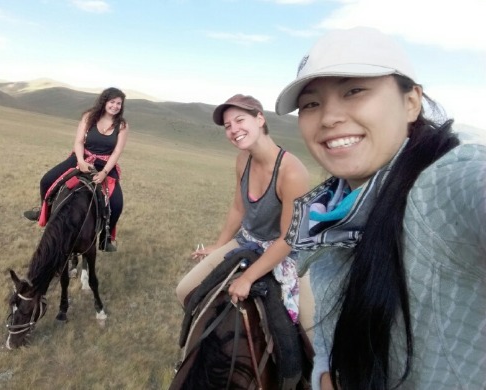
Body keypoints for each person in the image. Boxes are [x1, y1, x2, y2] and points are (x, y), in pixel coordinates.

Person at [275, 26, 486, 389]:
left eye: (354, 90)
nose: (328, 117)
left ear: (411, 102)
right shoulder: (332, 212)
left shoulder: (448, 181)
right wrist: (326, 369)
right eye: (311, 103)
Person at [175, 94, 309, 326]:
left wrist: (247, 278)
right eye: (228, 126)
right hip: (245, 240)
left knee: (314, 335)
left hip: (286, 252)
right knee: (185, 291)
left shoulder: (292, 172)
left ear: (259, 119)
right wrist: (219, 245)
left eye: (240, 120)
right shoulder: (242, 160)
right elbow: (239, 207)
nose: (233, 129)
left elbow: (288, 239)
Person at [23, 87, 129, 252]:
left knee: (117, 203)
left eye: (119, 103)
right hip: (81, 157)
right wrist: (80, 161)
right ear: (105, 101)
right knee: (47, 180)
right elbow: (79, 141)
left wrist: (104, 173)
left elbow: (117, 151)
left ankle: (105, 238)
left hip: (105, 165)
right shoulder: (89, 116)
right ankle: (44, 212)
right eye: (112, 102)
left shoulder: (121, 125)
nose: (115, 106)